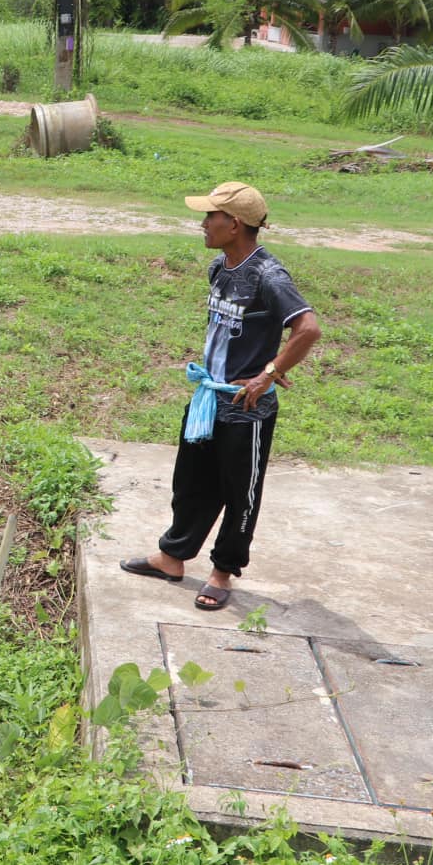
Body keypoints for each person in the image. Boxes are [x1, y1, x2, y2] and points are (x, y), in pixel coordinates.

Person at [120, 182, 322, 611]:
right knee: (191, 482)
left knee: (239, 493)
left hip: (245, 410)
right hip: (209, 398)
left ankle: (221, 572)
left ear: (233, 225)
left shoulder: (269, 276)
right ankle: (173, 557)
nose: (203, 224)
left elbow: (307, 328)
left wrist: (269, 373)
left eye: (210, 217)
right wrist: (268, 362)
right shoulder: (220, 267)